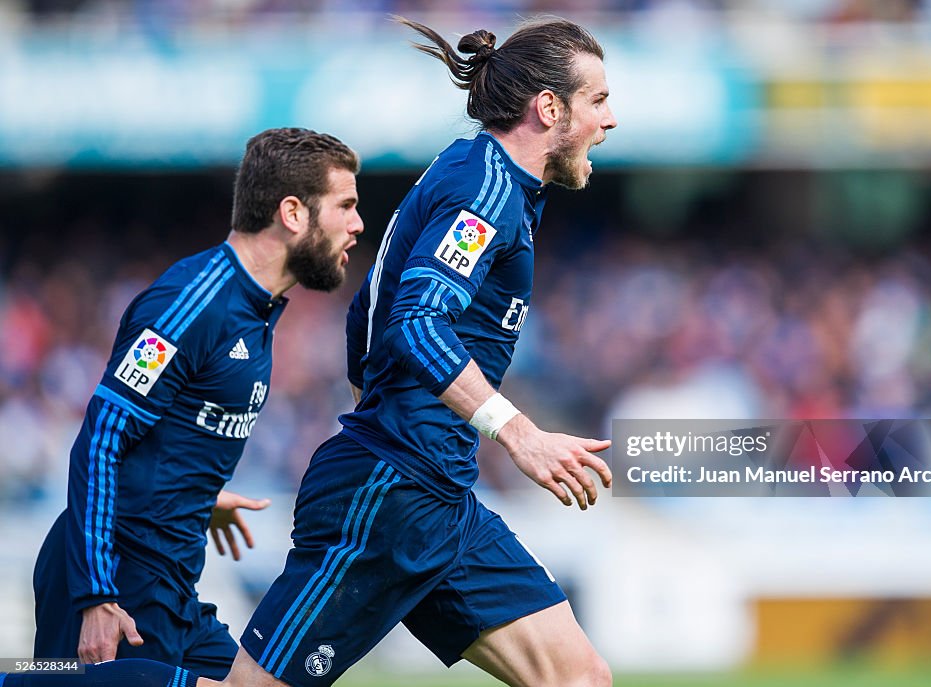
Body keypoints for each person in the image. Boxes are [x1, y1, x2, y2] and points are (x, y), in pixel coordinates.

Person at [3, 14, 616, 687]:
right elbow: (411, 320)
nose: (608, 120)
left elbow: (370, 315)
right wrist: (515, 432)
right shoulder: (485, 191)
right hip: (390, 491)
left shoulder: (478, 180)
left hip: (433, 487)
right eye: (598, 101)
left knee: (580, 677)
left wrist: (194, 488)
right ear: (548, 107)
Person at [29, 128, 364, 680]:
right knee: (44, 679)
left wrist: (195, 494)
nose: (356, 224)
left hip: (170, 584)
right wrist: (95, 595)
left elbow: (164, 434)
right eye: (345, 205)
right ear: (293, 213)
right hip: (118, 579)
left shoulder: (257, 312)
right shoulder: (192, 304)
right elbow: (101, 439)